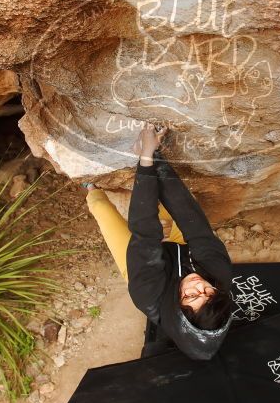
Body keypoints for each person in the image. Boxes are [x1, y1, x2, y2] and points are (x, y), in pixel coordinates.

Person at [83, 123, 234, 360]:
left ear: (177, 306)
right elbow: (190, 216)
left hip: (144, 263)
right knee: (169, 202)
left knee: (103, 209)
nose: (198, 285)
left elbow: (145, 231)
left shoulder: (147, 294)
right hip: (180, 252)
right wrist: (155, 156)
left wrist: (144, 161)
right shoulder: (219, 273)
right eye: (208, 292)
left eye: (191, 296)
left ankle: (89, 187)